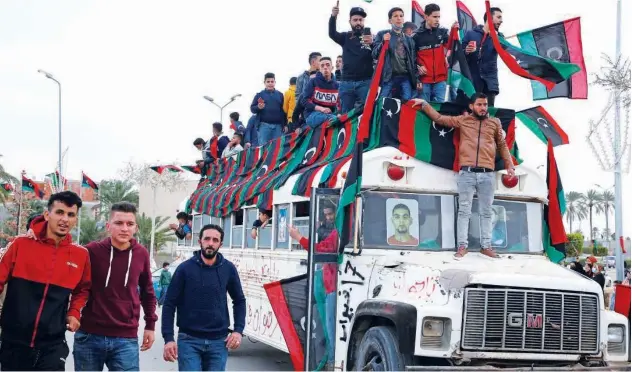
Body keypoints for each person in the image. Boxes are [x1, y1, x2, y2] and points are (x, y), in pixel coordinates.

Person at [411, 93, 515, 258]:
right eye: (479, 104)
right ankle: (462, 247)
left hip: (487, 174)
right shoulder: (464, 120)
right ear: (472, 106)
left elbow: (502, 144)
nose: (483, 108)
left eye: (485, 104)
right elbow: (439, 118)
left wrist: (509, 164)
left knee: (487, 212)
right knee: (464, 211)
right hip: (466, 173)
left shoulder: (495, 123)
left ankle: (486, 246)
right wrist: (424, 104)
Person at [0, 191, 91, 371]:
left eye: (71, 214)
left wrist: (74, 312)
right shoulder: (21, 245)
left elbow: (83, 289)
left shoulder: (81, 255)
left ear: (75, 219)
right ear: (47, 214)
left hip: (53, 343)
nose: (65, 219)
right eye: (60, 212)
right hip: (14, 341)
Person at [62, 202, 157, 371]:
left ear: (136, 227)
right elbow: (65, 265)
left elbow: (148, 293)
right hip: (89, 336)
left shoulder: (141, 254)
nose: (124, 228)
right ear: (108, 226)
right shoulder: (91, 251)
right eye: (118, 223)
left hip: (125, 339)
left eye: (130, 224)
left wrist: (150, 326)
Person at [162, 224, 246, 371]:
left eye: (215, 240)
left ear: (220, 243)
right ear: (200, 241)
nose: (210, 243)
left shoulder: (228, 269)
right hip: (189, 340)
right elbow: (169, 304)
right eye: (207, 239)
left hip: (219, 341)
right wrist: (168, 339)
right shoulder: (184, 269)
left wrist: (238, 330)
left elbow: (239, 301)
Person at [288, 224, 338, 368]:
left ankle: (332, 363)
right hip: (329, 287)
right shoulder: (340, 229)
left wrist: (298, 237)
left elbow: (320, 249)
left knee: (330, 331)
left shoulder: (339, 231)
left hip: (332, 288)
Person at [329, 4, 374, 113]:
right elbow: (332, 33)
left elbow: (379, 54)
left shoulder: (372, 37)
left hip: (366, 82)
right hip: (346, 82)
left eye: (360, 20)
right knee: (346, 115)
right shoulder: (345, 37)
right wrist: (333, 17)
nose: (358, 22)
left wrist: (373, 44)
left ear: (364, 21)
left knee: (366, 114)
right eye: (355, 20)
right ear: (350, 21)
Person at [373, 7, 418, 101]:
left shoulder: (409, 40)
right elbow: (374, 54)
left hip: (406, 77)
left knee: (406, 105)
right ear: (390, 20)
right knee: (382, 103)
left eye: (401, 16)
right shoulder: (382, 34)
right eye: (395, 16)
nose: (399, 18)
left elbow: (413, 61)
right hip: (389, 77)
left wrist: (417, 79)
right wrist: (383, 42)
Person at [462, 7, 503, 106]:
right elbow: (458, 55)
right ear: (489, 18)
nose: (501, 21)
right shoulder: (470, 34)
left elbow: (506, 53)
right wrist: (466, 51)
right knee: (473, 114)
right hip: (473, 81)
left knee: (488, 113)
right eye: (498, 17)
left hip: (490, 82)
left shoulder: (499, 38)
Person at [412, 4, 452, 102]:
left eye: (439, 17)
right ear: (426, 17)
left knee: (440, 111)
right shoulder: (416, 36)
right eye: (434, 17)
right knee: (425, 111)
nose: (437, 19)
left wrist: (454, 32)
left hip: (441, 80)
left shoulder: (443, 32)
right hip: (424, 81)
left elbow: (453, 48)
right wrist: (418, 69)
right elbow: (411, 58)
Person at [300, 57, 340, 132]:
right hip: (312, 115)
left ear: (332, 67)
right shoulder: (313, 82)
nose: (325, 67)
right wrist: (321, 109)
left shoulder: (337, 86)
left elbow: (339, 105)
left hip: (331, 115)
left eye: (327, 65)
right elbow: (304, 101)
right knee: (333, 119)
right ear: (319, 69)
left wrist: (339, 114)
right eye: (322, 66)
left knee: (339, 118)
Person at [250, 72, 287, 145]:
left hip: (278, 127)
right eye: (268, 82)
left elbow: (284, 111)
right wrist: (258, 107)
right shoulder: (259, 95)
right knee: (263, 149)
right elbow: (252, 109)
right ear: (264, 83)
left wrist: (285, 124)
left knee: (277, 150)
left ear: (275, 82)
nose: (270, 83)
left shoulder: (280, 95)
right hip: (264, 127)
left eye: (272, 81)